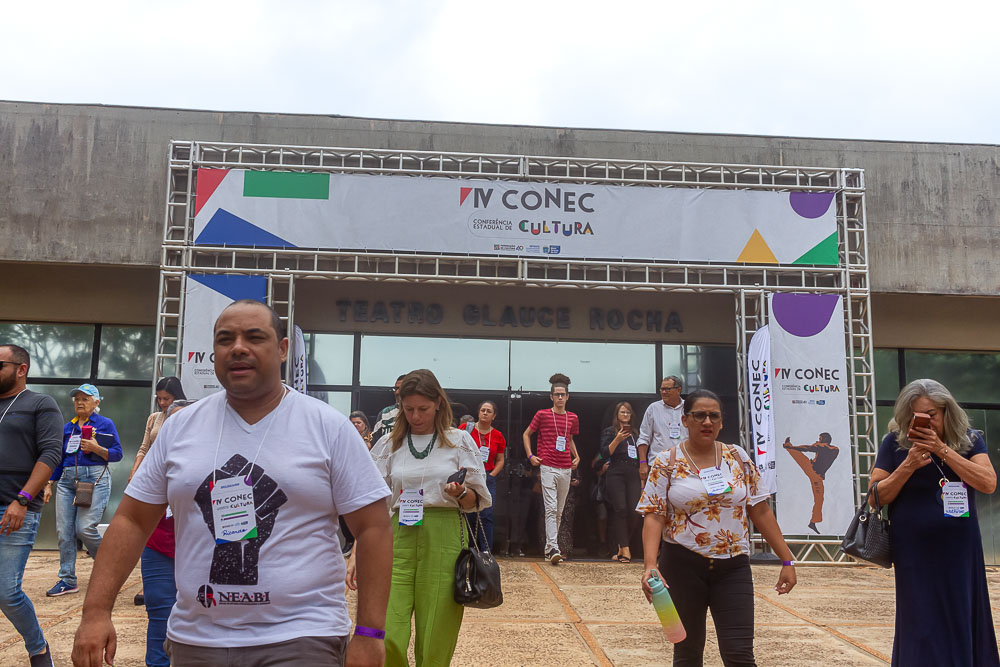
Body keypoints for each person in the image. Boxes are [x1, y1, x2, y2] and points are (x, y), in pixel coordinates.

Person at [71, 299, 393, 667]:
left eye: (255, 337)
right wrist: (95, 611)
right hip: (197, 639)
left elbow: (373, 528)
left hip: (300, 637)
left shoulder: (327, 427)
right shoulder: (180, 427)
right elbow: (131, 520)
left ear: (283, 349)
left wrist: (370, 634)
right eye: (225, 339)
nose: (238, 347)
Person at [638, 389, 797, 666]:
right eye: (699, 415)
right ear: (685, 420)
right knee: (687, 652)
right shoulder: (666, 461)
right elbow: (653, 514)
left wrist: (787, 559)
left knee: (739, 654)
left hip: (733, 567)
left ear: (722, 422)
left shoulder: (737, 457)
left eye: (714, 416)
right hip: (681, 566)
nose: (707, 422)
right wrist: (650, 564)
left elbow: (759, 509)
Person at [367, 369, 492, 666]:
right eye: (408, 409)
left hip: (444, 533)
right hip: (397, 534)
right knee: (388, 628)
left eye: (422, 408)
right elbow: (371, 499)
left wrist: (460, 493)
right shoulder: (389, 444)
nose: (415, 416)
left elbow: (478, 500)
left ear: (438, 403)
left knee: (437, 628)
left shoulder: (458, 440)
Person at [869, 379, 998, 666]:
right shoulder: (894, 443)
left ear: (946, 411)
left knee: (960, 610)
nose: (926, 422)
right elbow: (875, 497)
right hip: (913, 549)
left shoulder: (970, 439)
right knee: (920, 617)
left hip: (960, 548)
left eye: (932, 414)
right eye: (918, 415)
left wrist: (943, 451)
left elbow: (988, 483)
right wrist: (908, 465)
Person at [0, 344, 62, 667]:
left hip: (13, 509)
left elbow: (51, 454)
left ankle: (38, 648)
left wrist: (23, 499)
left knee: (6, 592)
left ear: (20, 368)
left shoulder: (41, 404)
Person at [132, 398, 194, 667]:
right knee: (159, 615)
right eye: (173, 420)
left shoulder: (220, 457)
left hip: (202, 551)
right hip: (159, 548)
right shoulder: (154, 461)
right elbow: (131, 516)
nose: (179, 426)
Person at [45, 383, 122, 598]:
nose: (80, 402)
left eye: (85, 399)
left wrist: (97, 449)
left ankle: (110, 570)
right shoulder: (67, 428)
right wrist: (49, 483)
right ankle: (67, 579)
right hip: (68, 481)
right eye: (77, 399)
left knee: (85, 528)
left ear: (96, 403)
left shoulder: (105, 424)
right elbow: (59, 459)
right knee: (64, 532)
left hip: (95, 478)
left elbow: (117, 454)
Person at [523, 372, 581, 565]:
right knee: (550, 508)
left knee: (559, 510)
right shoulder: (542, 414)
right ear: (551, 396)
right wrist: (531, 456)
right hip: (547, 465)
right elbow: (526, 434)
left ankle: (550, 548)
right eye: (556, 394)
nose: (560, 398)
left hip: (566, 467)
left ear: (568, 396)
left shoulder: (572, 417)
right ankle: (554, 547)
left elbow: (570, 439)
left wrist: (577, 455)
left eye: (563, 394)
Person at [601, 401, 641, 563]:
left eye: (628, 413)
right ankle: (625, 548)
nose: (625, 415)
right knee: (620, 509)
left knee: (634, 510)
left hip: (633, 471)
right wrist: (617, 439)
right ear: (617, 414)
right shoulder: (610, 432)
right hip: (616, 470)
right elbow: (604, 453)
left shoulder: (636, 434)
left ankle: (621, 543)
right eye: (622, 412)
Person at [129, 376, 186, 480]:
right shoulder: (154, 417)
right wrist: (133, 472)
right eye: (159, 398)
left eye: (166, 398)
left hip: (176, 473)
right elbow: (144, 449)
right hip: (153, 472)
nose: (162, 402)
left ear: (176, 398)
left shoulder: (186, 418)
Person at [782, 432, 839, 534]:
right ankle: (813, 521)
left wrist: (794, 447)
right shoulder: (835, 449)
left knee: (801, 458)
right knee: (819, 499)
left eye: (820, 438)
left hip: (814, 472)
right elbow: (817, 449)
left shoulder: (822, 447)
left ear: (823, 439)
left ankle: (813, 522)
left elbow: (807, 448)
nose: (818, 440)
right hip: (817, 476)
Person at [469, 400, 505, 551]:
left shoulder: (498, 436)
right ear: (478, 413)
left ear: (494, 416)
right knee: (468, 514)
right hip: (469, 478)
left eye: (488, 411)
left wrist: (491, 475)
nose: (485, 413)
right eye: (482, 410)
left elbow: (500, 460)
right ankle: (469, 549)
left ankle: (485, 551)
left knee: (486, 515)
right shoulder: (466, 429)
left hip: (487, 478)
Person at [637, 376, 687, 482]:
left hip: (684, 465)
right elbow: (644, 438)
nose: (663, 392)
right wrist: (642, 464)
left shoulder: (688, 408)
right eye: (662, 389)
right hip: (658, 465)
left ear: (679, 389)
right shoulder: (653, 408)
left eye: (667, 389)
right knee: (657, 498)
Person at [370, 374, 405, 444]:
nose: (396, 392)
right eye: (395, 388)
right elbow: (375, 442)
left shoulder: (417, 414)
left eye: (400, 388)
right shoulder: (385, 413)